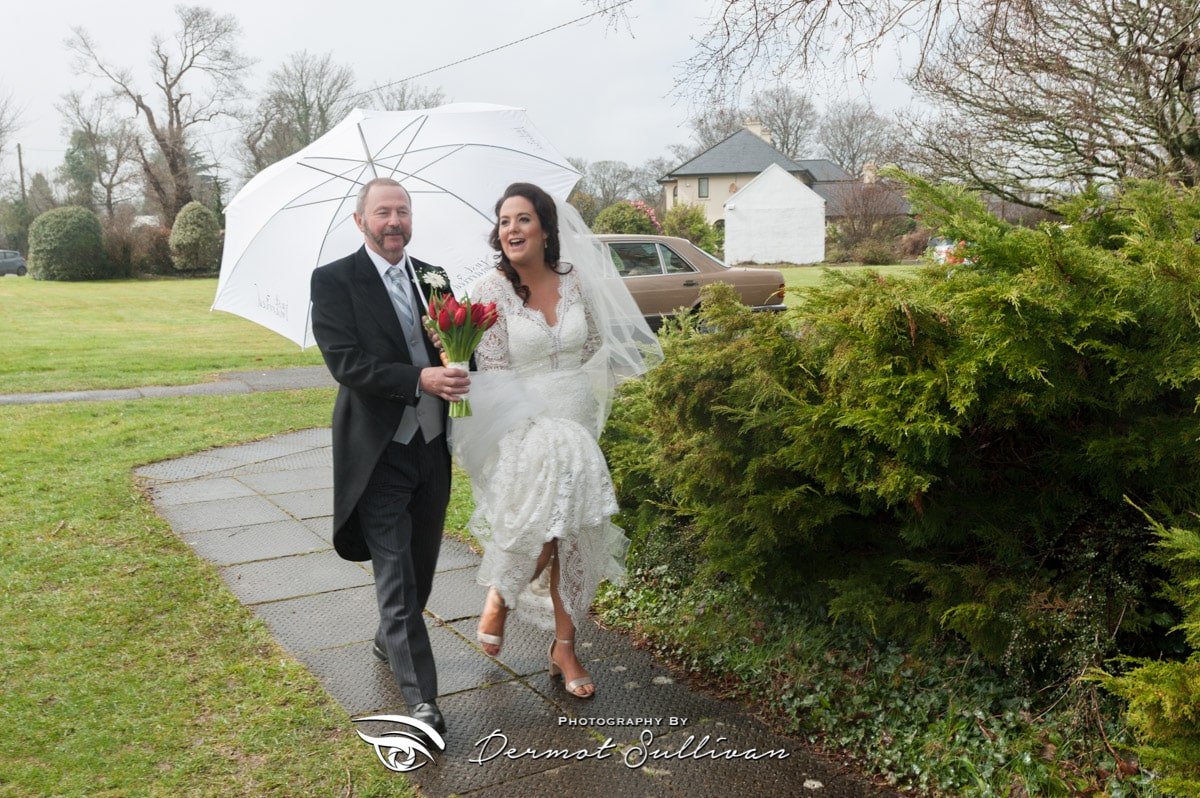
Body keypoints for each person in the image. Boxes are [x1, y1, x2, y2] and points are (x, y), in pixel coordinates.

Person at [452, 182, 661, 699]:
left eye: (523, 219)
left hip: (576, 412)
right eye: (504, 222)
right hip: (520, 420)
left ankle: (564, 646)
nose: (512, 230)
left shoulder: (575, 281)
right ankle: (502, 594)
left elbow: (592, 339)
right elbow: (495, 371)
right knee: (545, 523)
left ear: (546, 228)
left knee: (576, 534)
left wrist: (565, 377)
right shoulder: (488, 291)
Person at [309, 176, 469, 737]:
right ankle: (422, 701)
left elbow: (453, 343)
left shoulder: (433, 277)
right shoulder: (333, 281)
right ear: (361, 221)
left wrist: (458, 364)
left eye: (402, 211)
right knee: (396, 577)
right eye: (383, 212)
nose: (394, 221)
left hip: (431, 448)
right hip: (377, 452)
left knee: (420, 569)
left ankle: (387, 637)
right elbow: (346, 364)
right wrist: (419, 377)